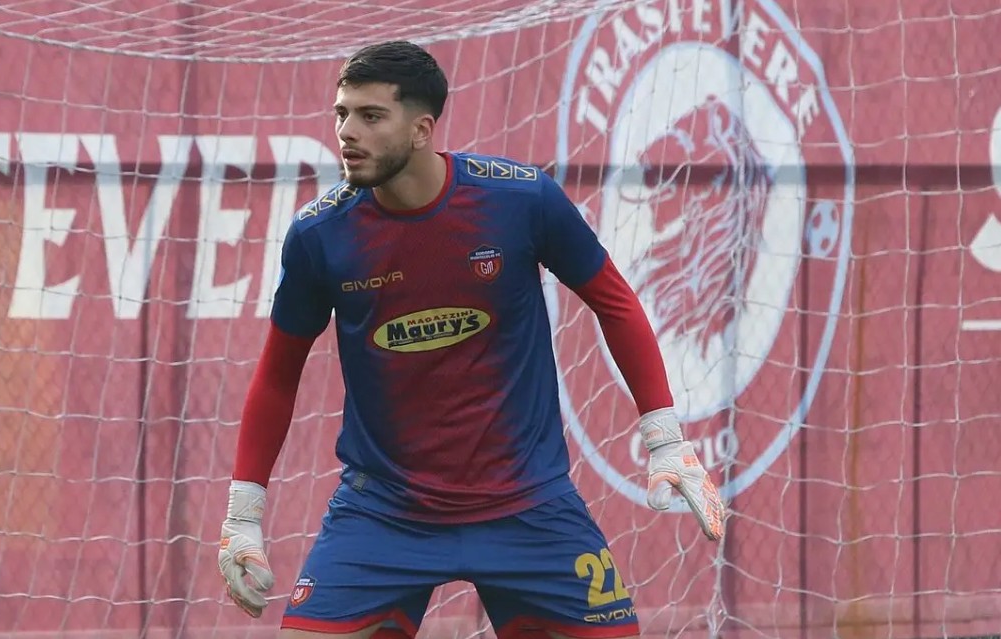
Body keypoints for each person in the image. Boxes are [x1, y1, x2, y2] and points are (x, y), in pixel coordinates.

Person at [218, 40, 726, 639]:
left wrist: (665, 438)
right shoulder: (319, 234)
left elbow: (614, 302)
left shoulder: (521, 199)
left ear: (422, 129)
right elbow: (279, 374)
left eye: (371, 116)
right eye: (342, 114)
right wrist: (243, 516)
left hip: (529, 508)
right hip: (383, 514)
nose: (347, 132)